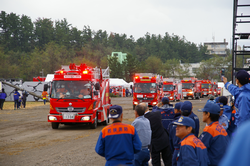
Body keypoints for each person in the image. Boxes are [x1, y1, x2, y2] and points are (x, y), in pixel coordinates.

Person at [198, 102, 230, 166]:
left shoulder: (209, 130)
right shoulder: (221, 128)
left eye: (204, 112)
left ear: (208, 114)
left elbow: (200, 149)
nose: (202, 115)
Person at [167, 102, 183, 166]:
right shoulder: (190, 122)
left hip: (176, 150)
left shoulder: (173, 124)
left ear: (176, 110)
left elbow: (170, 139)